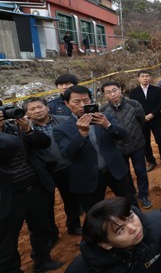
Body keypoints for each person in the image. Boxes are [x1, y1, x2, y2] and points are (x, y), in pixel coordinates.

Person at [53, 85, 138, 213]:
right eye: (76, 101)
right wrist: (81, 133)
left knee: (130, 204)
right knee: (96, 213)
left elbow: (123, 135)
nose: (82, 105)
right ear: (67, 103)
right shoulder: (61, 129)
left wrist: (107, 125)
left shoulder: (104, 117)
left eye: (86, 100)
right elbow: (67, 154)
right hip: (88, 177)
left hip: (115, 170)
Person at [0, 109, 63, 273]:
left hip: (35, 188)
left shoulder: (14, 128)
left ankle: (42, 260)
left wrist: (28, 129)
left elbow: (44, 143)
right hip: (8, 198)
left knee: (41, 228)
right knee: (7, 240)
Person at [23, 97, 82, 248]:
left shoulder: (64, 120)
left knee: (71, 199)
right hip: (42, 174)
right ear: (27, 114)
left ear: (47, 108)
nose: (37, 111)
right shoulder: (23, 129)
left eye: (40, 107)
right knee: (46, 206)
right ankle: (52, 234)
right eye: (32, 109)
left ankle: (74, 225)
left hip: (65, 167)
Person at [101, 81, 153, 209]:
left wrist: (134, 134)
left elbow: (141, 121)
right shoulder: (103, 111)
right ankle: (132, 192)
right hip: (118, 148)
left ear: (121, 90)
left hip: (137, 144)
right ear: (104, 95)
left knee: (141, 171)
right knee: (125, 173)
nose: (113, 94)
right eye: (108, 92)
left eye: (115, 90)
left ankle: (143, 195)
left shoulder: (133, 104)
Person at [129, 70, 161, 171]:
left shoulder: (157, 90)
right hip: (142, 121)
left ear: (150, 78)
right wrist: (142, 116)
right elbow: (133, 106)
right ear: (138, 78)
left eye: (147, 76)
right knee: (145, 142)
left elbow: (160, 103)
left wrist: (152, 114)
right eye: (142, 76)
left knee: (160, 140)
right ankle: (151, 161)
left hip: (155, 119)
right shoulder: (133, 92)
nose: (145, 78)